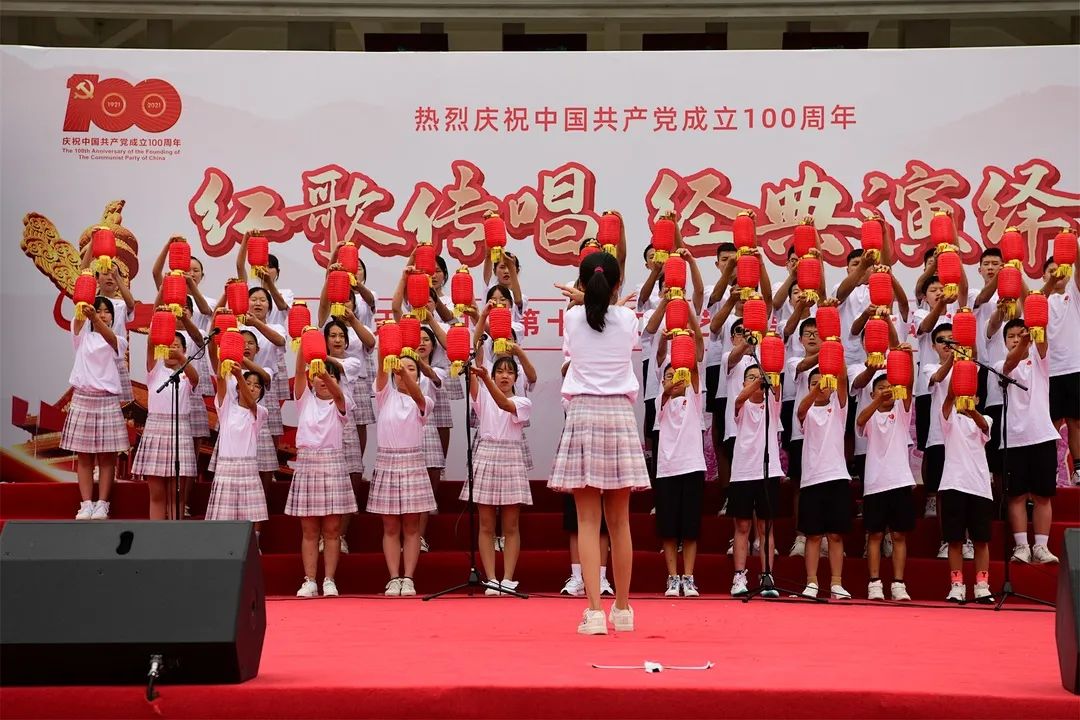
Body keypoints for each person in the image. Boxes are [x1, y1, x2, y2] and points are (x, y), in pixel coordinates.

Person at [551, 235, 649, 636]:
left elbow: (587, 313)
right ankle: (622, 609)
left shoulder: (573, 318)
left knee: (588, 522)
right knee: (620, 523)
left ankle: (594, 613)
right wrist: (607, 301)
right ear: (616, 284)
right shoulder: (628, 319)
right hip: (619, 415)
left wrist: (583, 298)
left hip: (584, 413)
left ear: (582, 283)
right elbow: (613, 316)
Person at [286, 352, 357, 599]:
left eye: (330, 376)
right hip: (308, 464)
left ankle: (329, 580)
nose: (324, 380)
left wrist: (324, 371)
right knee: (309, 530)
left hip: (332, 464)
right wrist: (303, 344)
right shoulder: (304, 399)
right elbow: (299, 372)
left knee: (332, 528)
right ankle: (310, 580)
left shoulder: (342, 401)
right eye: (317, 376)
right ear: (311, 379)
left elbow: (338, 394)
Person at [366, 354, 436, 597]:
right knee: (390, 525)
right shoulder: (385, 395)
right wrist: (387, 352)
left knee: (412, 525)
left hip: (412, 463)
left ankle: (409, 578)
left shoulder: (425, 400)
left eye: (411, 368)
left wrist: (402, 371)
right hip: (387, 462)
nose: (404, 372)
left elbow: (417, 396)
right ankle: (394, 577)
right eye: (400, 368)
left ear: (418, 374)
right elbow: (381, 367)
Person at [465, 358, 533, 595]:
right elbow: (473, 368)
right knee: (486, 524)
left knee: (510, 525)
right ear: (493, 375)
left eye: (510, 372)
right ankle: (492, 579)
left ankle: (508, 579)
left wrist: (485, 379)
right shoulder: (482, 396)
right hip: (486, 454)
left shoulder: (523, 402)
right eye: (500, 372)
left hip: (511, 457)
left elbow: (504, 404)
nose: (505, 376)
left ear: (516, 378)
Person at [62, 296, 129, 520]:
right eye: (98, 310)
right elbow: (79, 318)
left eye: (107, 311)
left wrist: (95, 319)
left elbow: (109, 338)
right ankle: (86, 504)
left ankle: (102, 504)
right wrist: (84, 306)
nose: (102, 314)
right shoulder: (81, 335)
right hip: (83, 397)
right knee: (85, 457)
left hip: (107, 399)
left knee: (107, 458)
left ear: (113, 316)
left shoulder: (119, 340)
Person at [653, 314, 706, 598]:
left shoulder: (694, 398)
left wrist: (687, 338)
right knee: (669, 529)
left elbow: (694, 363)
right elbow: (664, 392)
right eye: (669, 375)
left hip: (692, 467)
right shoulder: (661, 403)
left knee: (690, 528)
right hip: (667, 470)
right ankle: (672, 578)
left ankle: (689, 577)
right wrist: (667, 387)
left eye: (678, 374)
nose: (675, 379)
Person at [999, 319, 1060, 564]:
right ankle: (1022, 546)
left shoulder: (1040, 359)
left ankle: (1041, 547)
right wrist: (1024, 341)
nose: (1016, 339)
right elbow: (1009, 364)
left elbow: (1042, 344)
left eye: (1020, 334)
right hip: (1014, 439)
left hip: (1042, 435)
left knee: (1043, 495)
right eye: (1011, 336)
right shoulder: (1000, 365)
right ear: (1004, 341)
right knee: (1017, 496)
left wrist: (1036, 326)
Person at [856, 364, 916, 601]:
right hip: (875, 484)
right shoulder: (870, 416)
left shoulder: (902, 412)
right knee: (875, 535)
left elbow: (909, 385)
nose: (886, 391)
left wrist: (906, 359)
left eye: (890, 387)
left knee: (899, 535)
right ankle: (874, 583)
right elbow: (860, 420)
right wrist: (877, 400)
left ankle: (898, 583)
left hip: (900, 481)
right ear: (872, 394)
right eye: (881, 388)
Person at [796, 366, 852, 599]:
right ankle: (812, 583)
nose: (819, 386)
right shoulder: (807, 411)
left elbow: (843, 379)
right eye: (813, 383)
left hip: (837, 476)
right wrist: (816, 389)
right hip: (812, 479)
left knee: (835, 535)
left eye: (824, 382)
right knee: (813, 535)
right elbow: (800, 410)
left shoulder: (838, 407)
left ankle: (836, 583)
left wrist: (836, 354)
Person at [131, 329, 198, 520]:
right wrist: (160, 323)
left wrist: (180, 358)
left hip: (180, 430)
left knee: (176, 494)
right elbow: (150, 343)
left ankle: (174, 534)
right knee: (157, 493)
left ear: (184, 350)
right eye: (168, 346)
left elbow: (195, 379)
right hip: (155, 430)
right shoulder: (155, 369)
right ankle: (157, 534)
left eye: (176, 346)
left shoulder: (187, 374)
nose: (171, 350)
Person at [727, 364, 782, 598]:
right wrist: (756, 382)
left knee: (765, 527)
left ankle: (767, 575)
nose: (757, 380)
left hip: (768, 472)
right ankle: (739, 576)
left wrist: (768, 376)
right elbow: (740, 398)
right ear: (743, 383)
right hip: (743, 472)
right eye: (750, 377)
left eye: (760, 377)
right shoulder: (741, 405)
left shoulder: (773, 403)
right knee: (742, 526)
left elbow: (776, 383)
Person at [940, 386, 995, 604]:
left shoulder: (985, 419)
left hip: (979, 487)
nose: (966, 398)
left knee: (981, 540)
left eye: (971, 394)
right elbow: (947, 400)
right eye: (962, 395)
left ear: (978, 399)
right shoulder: (949, 419)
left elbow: (983, 425)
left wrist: (970, 408)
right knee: (955, 540)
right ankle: (957, 585)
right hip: (953, 485)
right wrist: (956, 387)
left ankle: (982, 586)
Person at [205, 364, 269, 543]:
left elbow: (250, 403)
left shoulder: (261, 412)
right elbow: (220, 378)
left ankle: (252, 547)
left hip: (248, 470)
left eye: (257, 386)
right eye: (248, 383)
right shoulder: (226, 408)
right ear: (238, 388)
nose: (252, 388)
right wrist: (224, 358)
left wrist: (240, 377)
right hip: (226, 470)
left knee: (250, 517)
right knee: (224, 520)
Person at [1043, 241, 1080, 486]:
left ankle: (1078, 469)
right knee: (1050, 424)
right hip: (1049, 371)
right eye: (1051, 271)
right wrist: (1051, 282)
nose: (1057, 274)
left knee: (1076, 421)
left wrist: (1074, 248)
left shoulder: (1074, 296)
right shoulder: (1040, 300)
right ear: (1044, 276)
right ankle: (1049, 469)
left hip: (1074, 367)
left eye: (1060, 270)